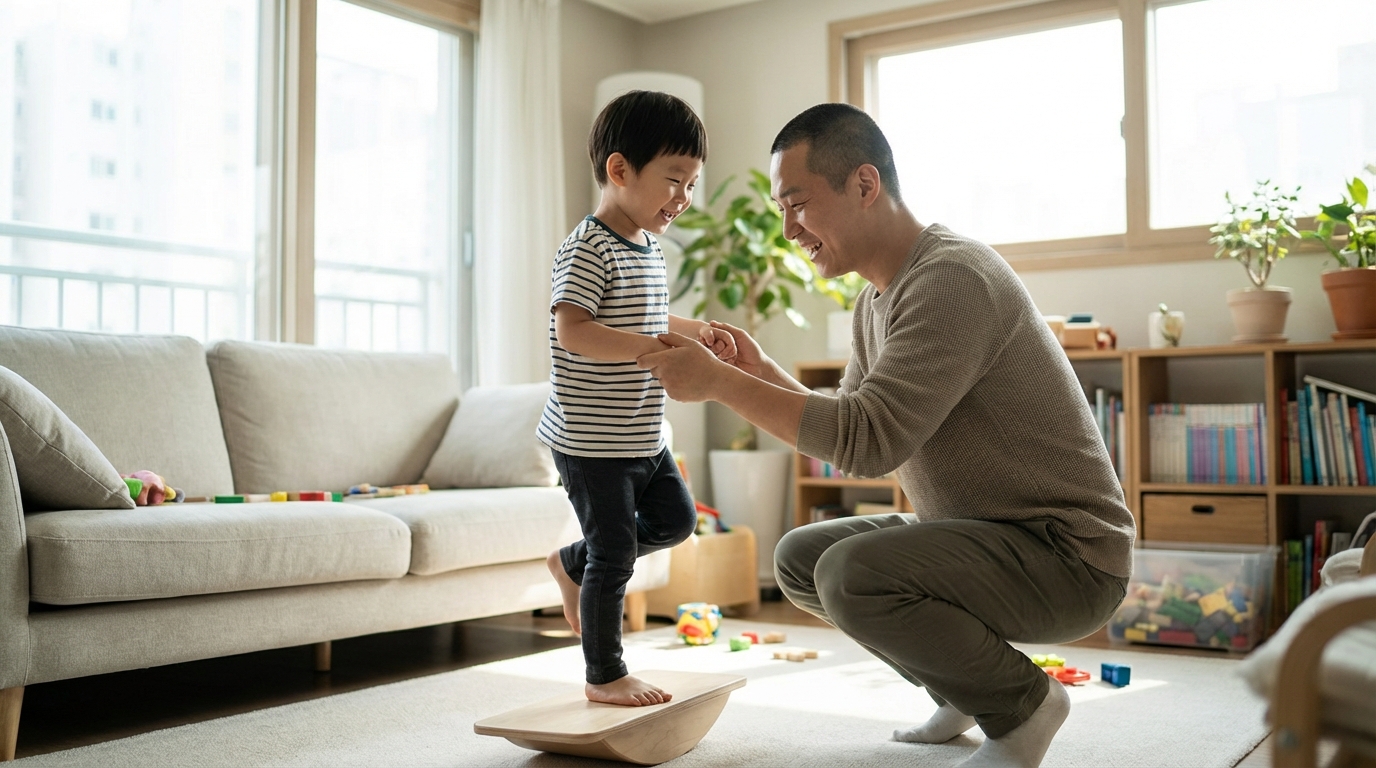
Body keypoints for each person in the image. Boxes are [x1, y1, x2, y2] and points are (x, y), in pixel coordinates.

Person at [637, 103, 1134, 768]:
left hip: (1067, 559)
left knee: (851, 575)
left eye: (798, 204)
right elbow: (852, 414)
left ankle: (1025, 707)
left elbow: (869, 444)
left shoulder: (952, 277)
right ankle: (966, 687)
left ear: (864, 185)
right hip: (990, 538)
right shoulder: (878, 297)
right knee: (802, 560)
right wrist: (759, 371)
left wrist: (721, 385)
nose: (787, 230)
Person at [539, 90, 737, 708]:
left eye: (692, 184)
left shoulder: (648, 247)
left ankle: (572, 564)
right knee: (616, 554)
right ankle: (605, 675)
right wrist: (650, 350)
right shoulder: (587, 246)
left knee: (678, 521)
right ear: (619, 170)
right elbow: (573, 329)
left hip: (641, 433)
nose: (683, 197)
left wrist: (692, 330)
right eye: (674, 180)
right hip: (591, 440)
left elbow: (648, 315)